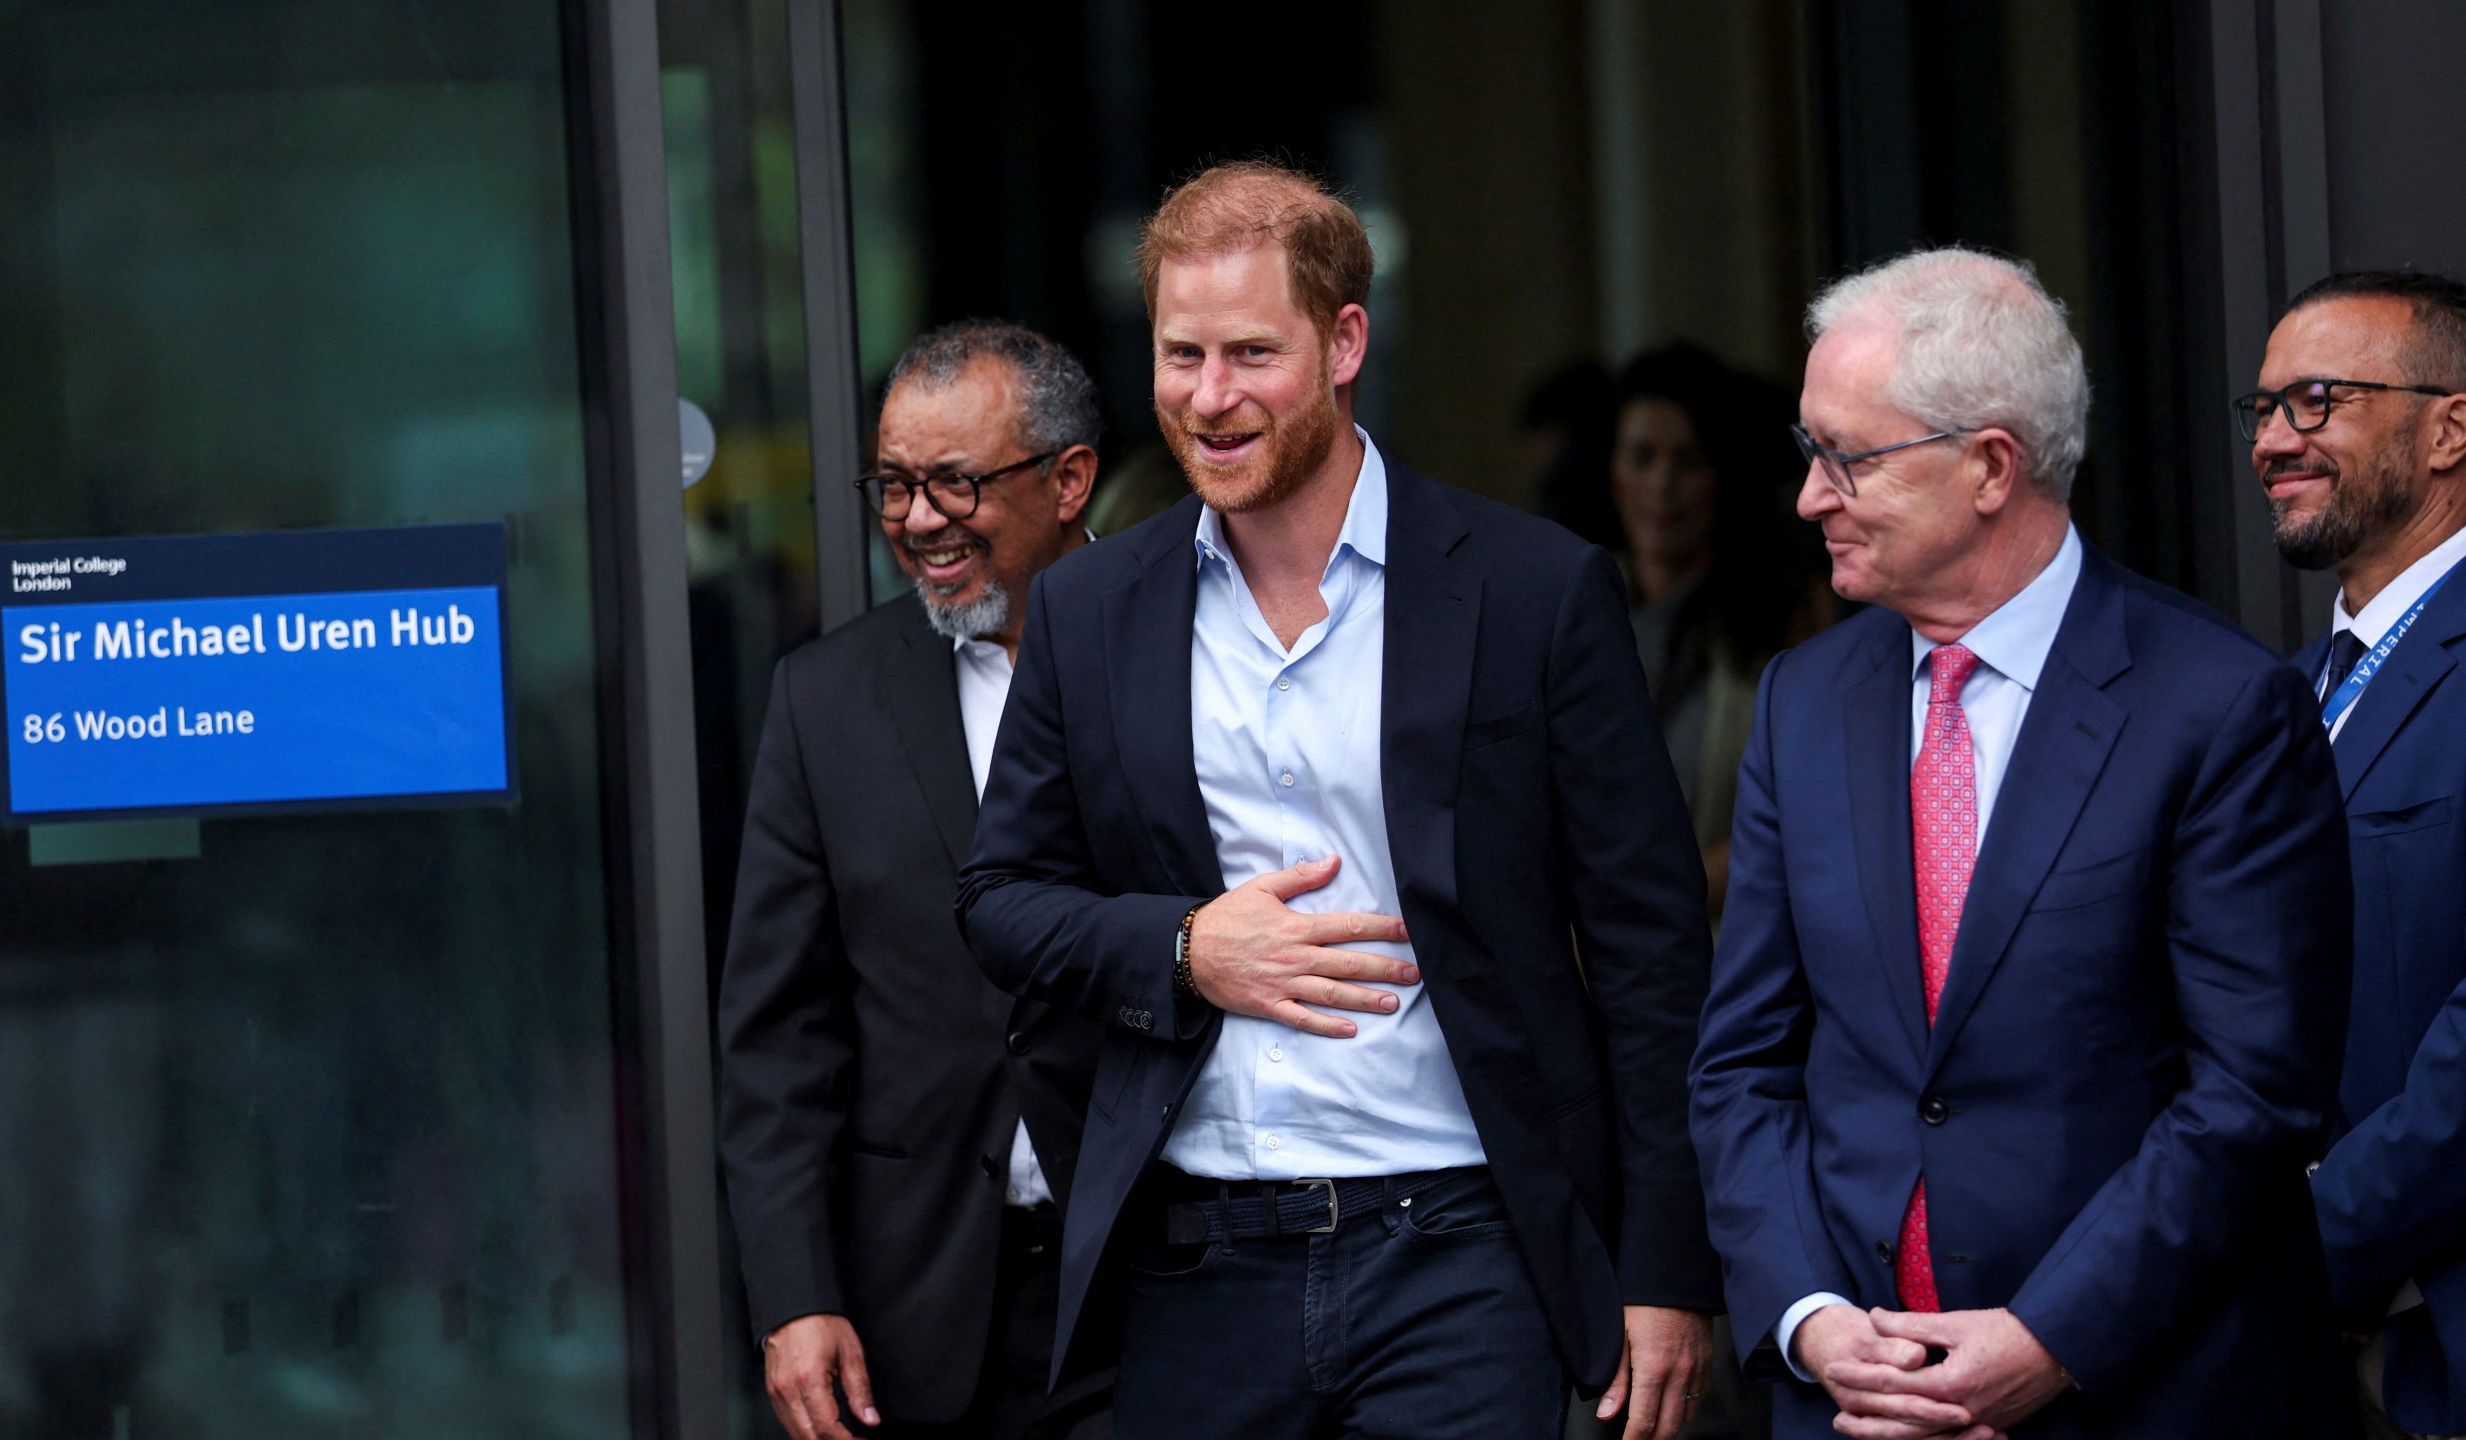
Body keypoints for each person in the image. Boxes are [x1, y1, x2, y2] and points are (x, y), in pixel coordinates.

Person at [957, 161, 1723, 1440]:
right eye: (1179, 353)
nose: (1210, 397)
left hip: (1468, 1247)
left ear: (1345, 342)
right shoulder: (1090, 611)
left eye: (1251, 351)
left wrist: (1666, 1269)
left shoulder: (1536, 592)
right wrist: (1192, 948)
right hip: (1197, 1260)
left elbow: (1654, 957)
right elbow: (999, 902)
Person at [1689, 247, 2355, 1440]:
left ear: (1990, 465)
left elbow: (2255, 1092)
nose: (1808, 497)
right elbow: (1744, 1064)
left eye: (1846, 458)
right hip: (1859, 1400)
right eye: (1808, 452)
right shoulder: (1803, 702)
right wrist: (1806, 1316)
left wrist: (2051, 1337)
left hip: (2143, 1389)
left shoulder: (2215, 707)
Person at [717, 320, 1111, 1440]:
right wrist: (795, 1294)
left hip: (1161, 1289)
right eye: (892, 488)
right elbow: (778, 1037)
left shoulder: (1189, 649)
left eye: (952, 483)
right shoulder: (823, 701)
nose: (917, 521)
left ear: (1069, 478)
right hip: (920, 1316)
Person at [2249, 269, 2466, 1440]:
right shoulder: (2298, 691)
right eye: (2262, 410)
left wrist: (2303, 1249)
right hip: (2328, 1363)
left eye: (2314, 402)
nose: (2273, 441)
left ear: (2448, 428)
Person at [1607, 344, 1835, 920]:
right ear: (1613, 472)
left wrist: (1651, 906)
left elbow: (1809, 818)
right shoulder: (1570, 606)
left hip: (1728, 962)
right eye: (1643, 457)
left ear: (1722, 475)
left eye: (1688, 461)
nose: (1663, 486)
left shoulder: (1782, 613)